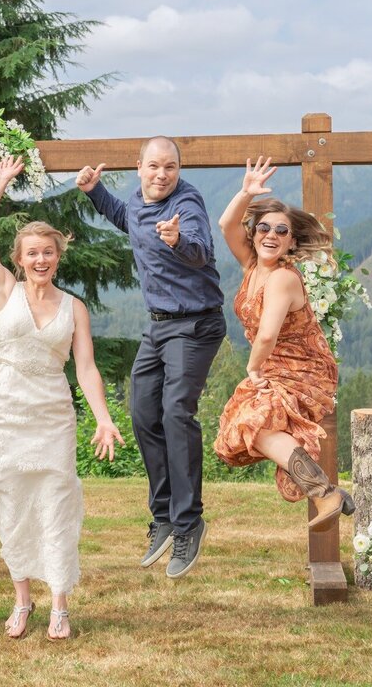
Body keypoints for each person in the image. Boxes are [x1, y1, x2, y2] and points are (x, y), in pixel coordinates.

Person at [0, 155, 124, 640]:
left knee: (55, 502)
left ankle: (59, 603)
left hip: (53, 414)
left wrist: (102, 417)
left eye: (48, 253)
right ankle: (20, 600)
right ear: (19, 257)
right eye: (31, 252)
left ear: (58, 257)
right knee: (11, 501)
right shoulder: (2, 289)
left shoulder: (74, 308)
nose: (40, 260)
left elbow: (87, 369)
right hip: (7, 411)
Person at [75, 136, 225, 578]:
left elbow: (200, 249)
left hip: (196, 323)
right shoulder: (138, 200)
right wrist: (94, 192)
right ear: (138, 166)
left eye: (171, 168)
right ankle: (163, 516)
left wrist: (179, 240)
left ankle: (188, 522)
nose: (162, 175)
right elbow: (125, 217)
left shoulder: (188, 202)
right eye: (154, 166)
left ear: (179, 170)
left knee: (176, 411)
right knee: (143, 413)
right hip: (158, 326)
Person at [212, 157, 353, 529]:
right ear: (254, 233)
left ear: (292, 241)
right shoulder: (251, 265)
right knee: (244, 431)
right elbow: (226, 224)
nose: (270, 235)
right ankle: (328, 493)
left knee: (254, 424)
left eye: (281, 231)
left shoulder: (283, 279)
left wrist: (253, 368)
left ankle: (325, 493)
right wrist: (246, 191)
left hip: (303, 368)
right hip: (271, 365)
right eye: (263, 228)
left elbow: (268, 335)